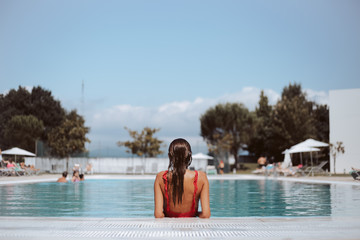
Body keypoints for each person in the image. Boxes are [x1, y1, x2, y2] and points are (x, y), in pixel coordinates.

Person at [154, 138, 210, 218]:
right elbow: (206, 214)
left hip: (170, 228)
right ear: (189, 156)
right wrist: (196, 213)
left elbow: (158, 215)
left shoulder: (161, 177)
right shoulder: (201, 177)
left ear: (170, 156)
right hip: (192, 229)